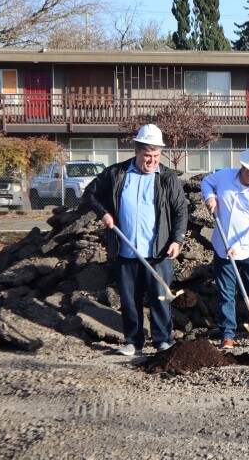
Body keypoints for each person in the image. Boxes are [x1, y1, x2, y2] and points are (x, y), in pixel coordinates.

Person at [83, 124, 188, 356]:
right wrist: (104, 214)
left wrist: (176, 240)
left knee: (160, 298)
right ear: (137, 151)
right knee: (130, 299)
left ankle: (162, 339)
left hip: (159, 251)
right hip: (126, 249)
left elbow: (181, 210)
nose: (152, 161)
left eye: (156, 156)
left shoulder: (168, 178)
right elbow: (89, 194)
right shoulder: (116, 173)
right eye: (147, 156)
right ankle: (133, 341)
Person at [201, 145, 249, 349]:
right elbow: (206, 181)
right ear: (243, 166)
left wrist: (238, 245)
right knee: (226, 293)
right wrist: (209, 197)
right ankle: (227, 335)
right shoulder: (224, 176)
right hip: (222, 246)